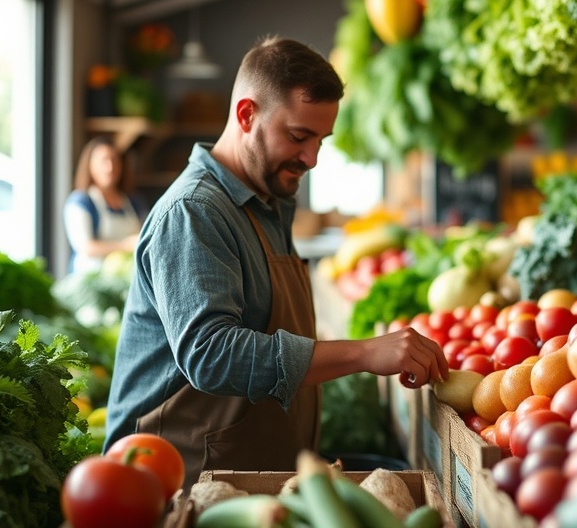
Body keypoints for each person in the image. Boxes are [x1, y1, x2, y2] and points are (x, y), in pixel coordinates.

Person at [102, 35, 448, 489]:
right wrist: (363, 353)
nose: (312, 158)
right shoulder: (194, 211)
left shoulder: (267, 201)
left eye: (322, 140)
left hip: (243, 477)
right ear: (247, 115)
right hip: (173, 486)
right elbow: (211, 354)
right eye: (299, 136)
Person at [63, 137, 147, 274]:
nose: (110, 167)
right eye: (103, 161)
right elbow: (86, 247)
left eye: (114, 160)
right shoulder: (81, 202)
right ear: (90, 165)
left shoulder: (134, 203)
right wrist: (125, 246)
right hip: (90, 281)